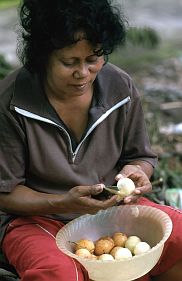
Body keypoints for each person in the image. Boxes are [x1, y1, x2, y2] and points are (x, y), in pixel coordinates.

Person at [0, 0, 181, 280]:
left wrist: (137, 173)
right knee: (59, 274)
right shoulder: (12, 102)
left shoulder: (119, 87)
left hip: (112, 208)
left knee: (178, 236)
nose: (83, 73)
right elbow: (5, 194)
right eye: (69, 62)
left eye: (94, 58)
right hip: (37, 220)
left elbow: (140, 156)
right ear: (43, 56)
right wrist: (63, 202)